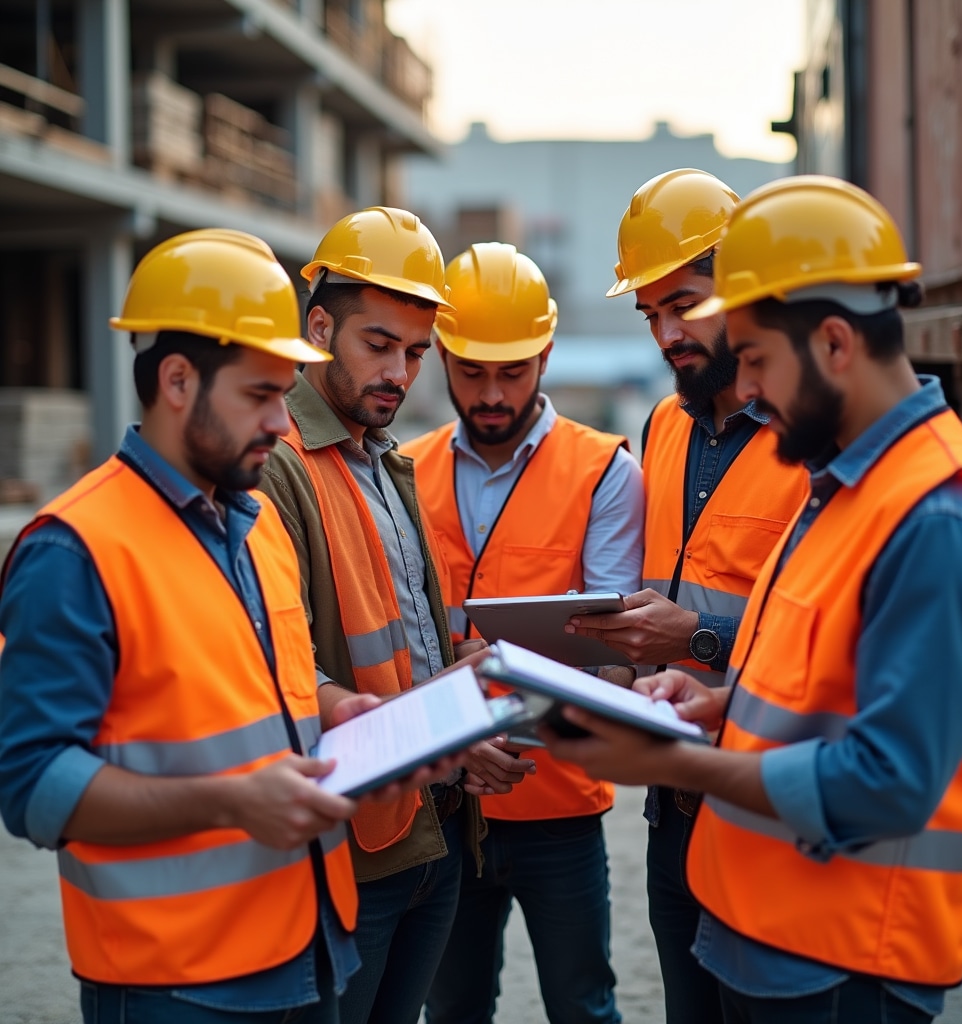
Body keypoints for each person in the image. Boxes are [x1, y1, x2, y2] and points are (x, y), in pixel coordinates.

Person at [543, 175, 962, 1024]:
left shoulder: (943, 517)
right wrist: (719, 702)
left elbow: (889, 782)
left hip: (846, 957)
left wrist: (670, 763)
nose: (751, 392)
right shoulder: (845, 485)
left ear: (834, 342)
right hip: (768, 928)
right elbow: (819, 678)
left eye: (759, 359)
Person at [0, 228, 383, 1023]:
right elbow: (32, 787)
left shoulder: (260, 524)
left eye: (286, 393)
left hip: (310, 944)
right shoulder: (73, 550)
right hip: (174, 983)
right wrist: (231, 803)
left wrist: (338, 710)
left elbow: (261, 690)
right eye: (259, 394)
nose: (282, 421)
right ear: (177, 380)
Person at [258, 209, 524, 1024]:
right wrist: (442, 736)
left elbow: (400, 647)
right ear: (319, 328)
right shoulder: (278, 465)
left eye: (414, 353)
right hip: (354, 847)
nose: (400, 373)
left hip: (432, 830)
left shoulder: (385, 460)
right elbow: (282, 669)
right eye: (379, 345)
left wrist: (463, 684)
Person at [566, 168, 809, 1022]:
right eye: (650, 314)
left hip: (766, 797)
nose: (668, 334)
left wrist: (697, 639)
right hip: (672, 805)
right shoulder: (664, 426)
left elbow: (827, 644)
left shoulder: (810, 437)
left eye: (686, 304)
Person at [402, 242, 644, 1024]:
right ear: (441, 356)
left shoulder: (605, 472)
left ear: (545, 355)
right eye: (471, 371)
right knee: (453, 1009)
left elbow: (612, 658)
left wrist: (490, 705)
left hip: (560, 805)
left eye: (512, 372)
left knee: (583, 1006)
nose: (491, 393)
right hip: (444, 804)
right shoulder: (404, 472)